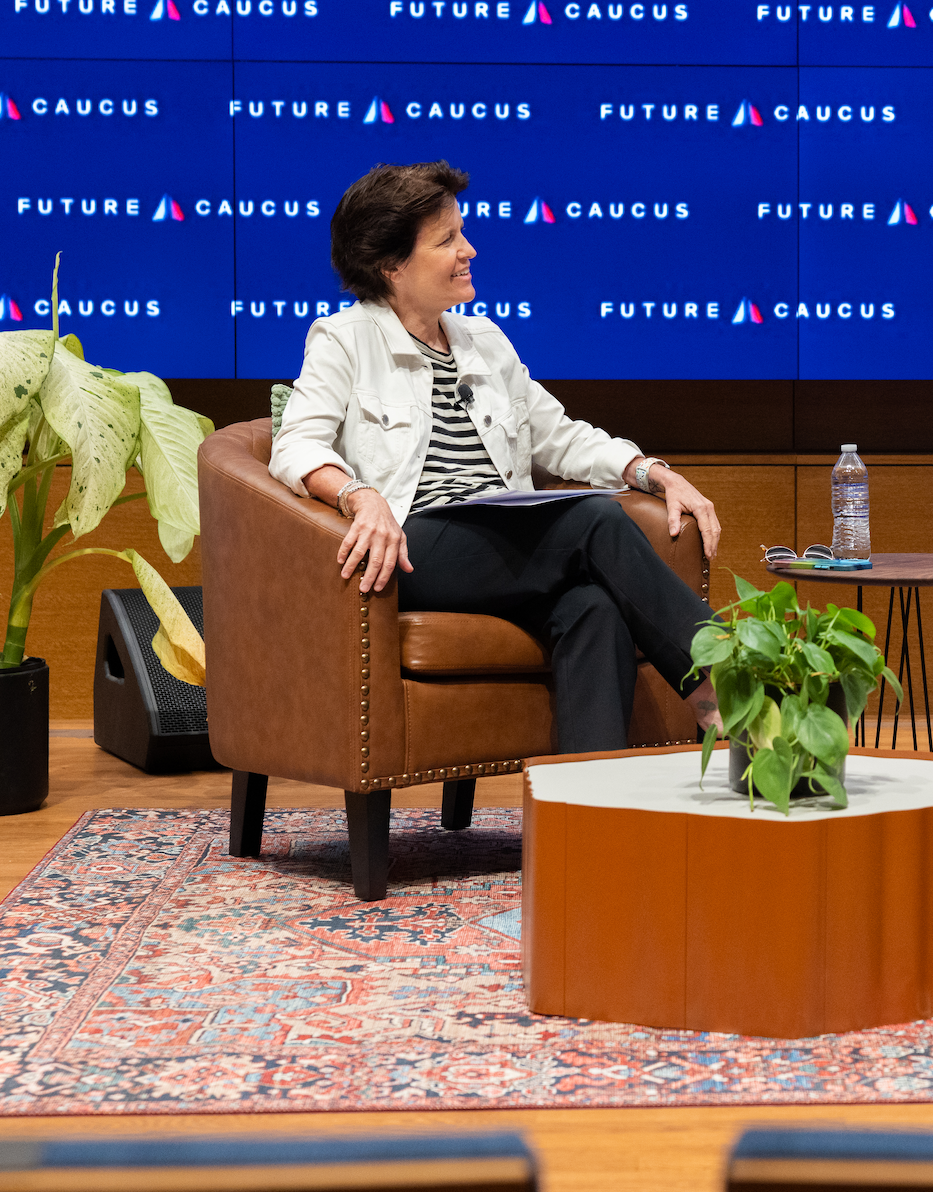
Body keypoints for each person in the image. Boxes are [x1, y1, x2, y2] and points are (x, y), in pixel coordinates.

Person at [269, 160, 722, 751]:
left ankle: (582, 813)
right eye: (448, 239)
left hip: (510, 543)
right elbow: (296, 444)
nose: (470, 250)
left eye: (462, 232)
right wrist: (360, 496)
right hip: (418, 548)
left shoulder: (484, 341)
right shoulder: (344, 339)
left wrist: (651, 473)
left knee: (591, 610)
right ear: (392, 266)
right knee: (594, 521)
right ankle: (735, 697)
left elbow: (559, 437)